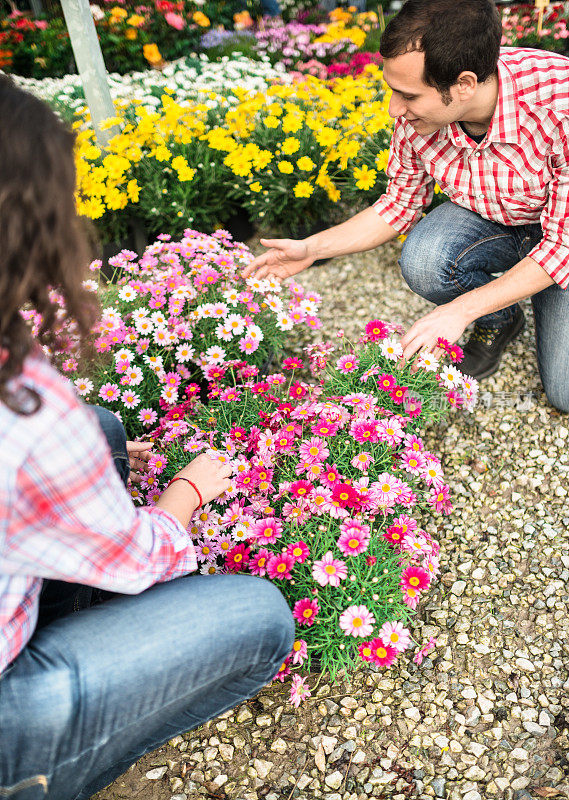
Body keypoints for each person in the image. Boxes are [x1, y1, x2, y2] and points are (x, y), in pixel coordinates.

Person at [0, 75, 294, 800]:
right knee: (259, 617)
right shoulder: (28, 406)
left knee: (102, 429)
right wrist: (186, 492)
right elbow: (139, 561)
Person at [243, 0, 569, 414]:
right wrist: (312, 248)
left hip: (562, 237)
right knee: (424, 257)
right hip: (502, 217)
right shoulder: (421, 116)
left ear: (464, 84)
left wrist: (458, 310)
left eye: (408, 95)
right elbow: (398, 204)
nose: (394, 109)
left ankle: (519, 296)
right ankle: (501, 319)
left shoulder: (559, 104)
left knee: (564, 393)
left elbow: (560, 247)